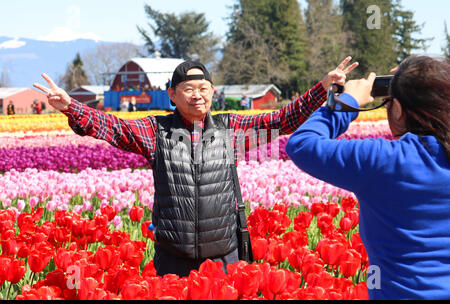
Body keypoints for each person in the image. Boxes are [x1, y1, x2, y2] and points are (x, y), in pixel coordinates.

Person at [33, 57, 358, 277]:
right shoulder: (154, 132)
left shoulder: (231, 131)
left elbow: (282, 120)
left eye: (203, 89)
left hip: (224, 256)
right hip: (174, 258)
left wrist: (322, 88)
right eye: (188, 89)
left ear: (212, 92)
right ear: (173, 94)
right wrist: (73, 108)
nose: (197, 96)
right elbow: (112, 127)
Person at [285, 55, 450, 299]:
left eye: (388, 104)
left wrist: (345, 103)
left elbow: (302, 145)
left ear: (400, 110)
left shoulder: (385, 160)